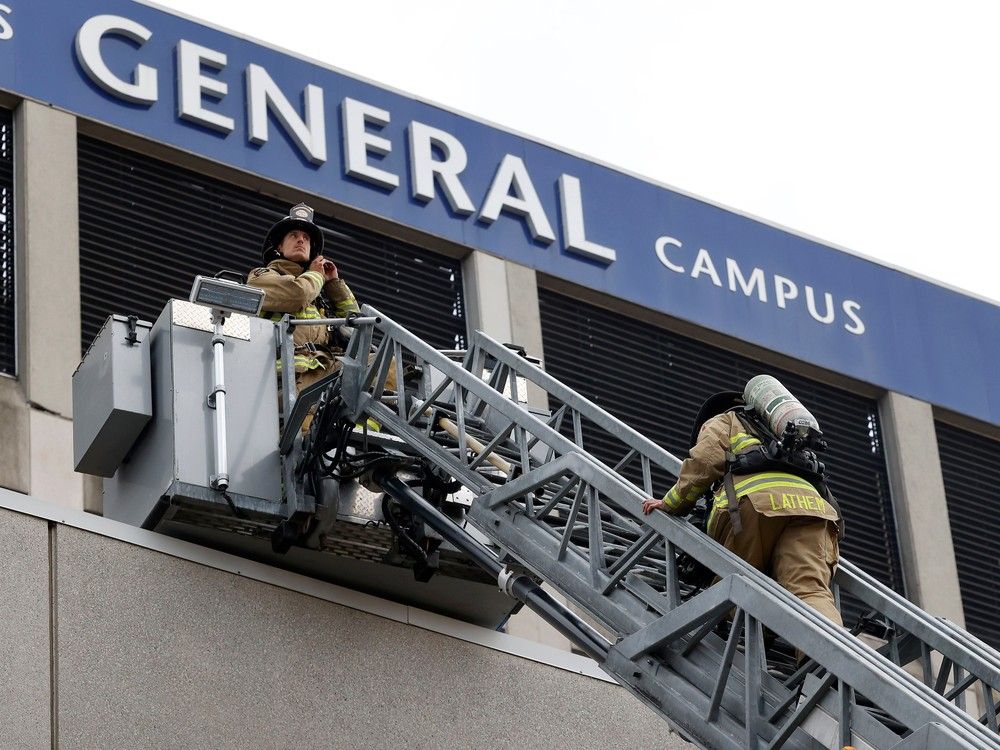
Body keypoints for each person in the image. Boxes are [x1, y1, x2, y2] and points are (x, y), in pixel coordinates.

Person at [642, 390, 843, 628]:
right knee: (810, 591)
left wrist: (671, 503)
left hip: (755, 507)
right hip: (814, 512)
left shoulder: (725, 420)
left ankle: (755, 641)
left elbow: (705, 461)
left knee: (738, 590)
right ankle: (825, 650)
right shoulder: (789, 441)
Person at [248, 203, 362, 420]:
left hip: (325, 373)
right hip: (288, 379)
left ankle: (360, 432)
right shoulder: (262, 276)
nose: (301, 240)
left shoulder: (318, 294)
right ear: (279, 247)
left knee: (380, 363)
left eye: (306, 238)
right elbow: (296, 295)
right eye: (293, 235)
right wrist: (316, 275)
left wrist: (333, 284)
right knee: (305, 429)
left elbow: (356, 328)